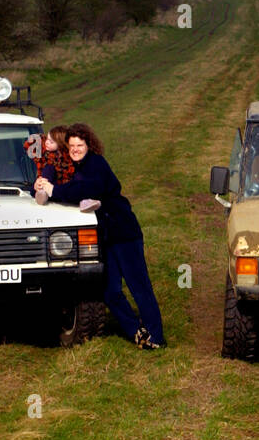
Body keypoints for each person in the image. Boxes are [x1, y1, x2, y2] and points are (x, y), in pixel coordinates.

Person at [34, 123, 164, 349]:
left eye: (80, 145)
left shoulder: (95, 164)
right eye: (72, 145)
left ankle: (156, 336)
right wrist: (39, 186)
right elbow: (67, 189)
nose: (75, 149)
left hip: (124, 233)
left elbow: (84, 191)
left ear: (89, 145)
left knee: (138, 286)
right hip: (105, 237)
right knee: (110, 290)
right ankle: (136, 331)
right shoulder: (77, 167)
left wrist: (54, 190)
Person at [25, 124, 75, 206]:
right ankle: (41, 192)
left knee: (49, 168)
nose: (47, 143)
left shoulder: (68, 159)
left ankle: (42, 192)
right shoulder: (45, 155)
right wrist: (37, 185)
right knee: (48, 169)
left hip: (58, 190)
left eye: (51, 142)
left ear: (61, 144)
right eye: (47, 139)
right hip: (44, 185)